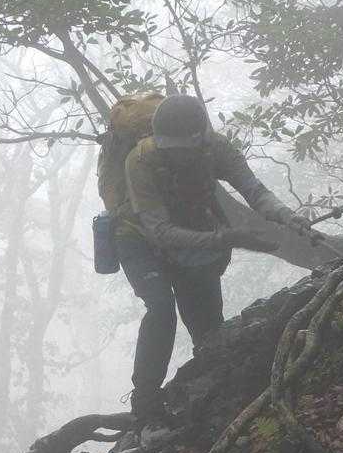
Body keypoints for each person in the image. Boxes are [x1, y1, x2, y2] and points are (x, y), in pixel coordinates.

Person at [105, 94, 320, 426]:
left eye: (179, 149)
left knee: (208, 329)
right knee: (161, 307)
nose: (173, 154)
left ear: (198, 140)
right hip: (137, 239)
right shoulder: (141, 160)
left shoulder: (216, 149)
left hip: (194, 234)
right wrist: (226, 238)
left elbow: (254, 190)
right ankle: (145, 402)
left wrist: (287, 216)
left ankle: (213, 390)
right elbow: (160, 231)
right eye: (167, 148)